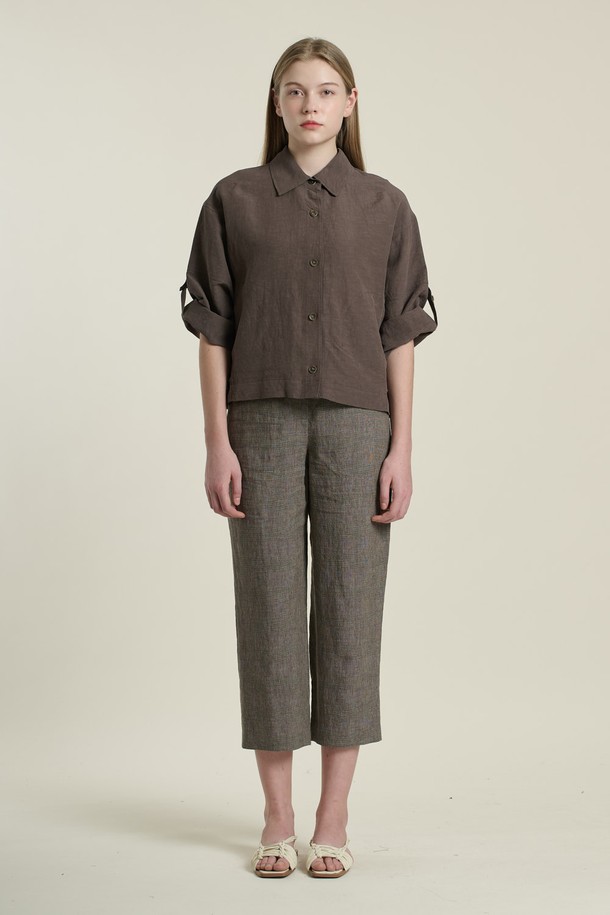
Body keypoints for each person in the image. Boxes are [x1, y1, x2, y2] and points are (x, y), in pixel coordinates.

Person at [179, 36, 439, 879]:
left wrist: (403, 445)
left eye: (326, 90)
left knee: (351, 610)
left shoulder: (386, 205)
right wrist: (217, 439)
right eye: (295, 90)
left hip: (360, 425)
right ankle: (277, 816)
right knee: (268, 609)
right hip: (258, 421)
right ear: (277, 103)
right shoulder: (234, 200)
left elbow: (400, 335)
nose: (311, 104)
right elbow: (212, 330)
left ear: (350, 103)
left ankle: (333, 816)